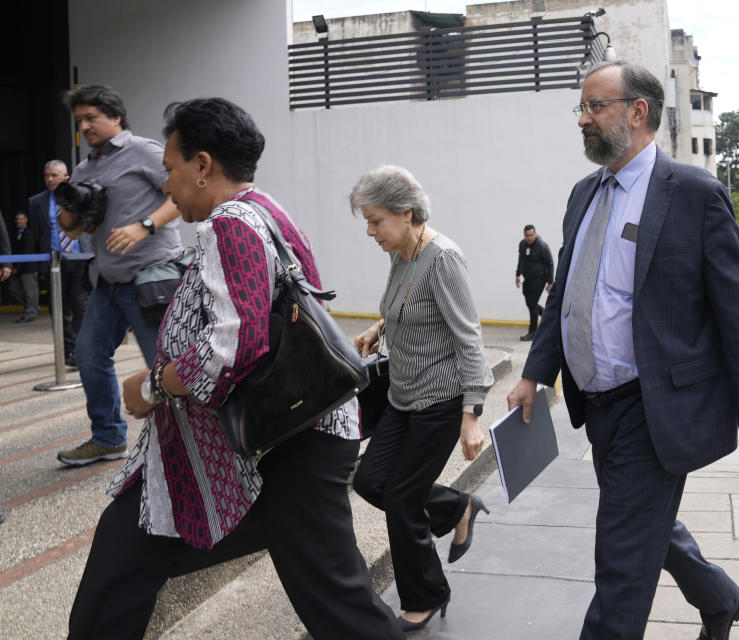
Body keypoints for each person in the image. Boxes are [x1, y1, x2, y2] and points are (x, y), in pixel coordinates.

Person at [69, 98, 403, 640]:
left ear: (203, 166)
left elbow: (235, 344)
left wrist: (151, 385)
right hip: (271, 440)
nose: (168, 189)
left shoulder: (232, 225)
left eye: (171, 171)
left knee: (340, 606)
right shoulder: (268, 209)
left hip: (286, 443)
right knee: (125, 556)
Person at [507, 61, 739, 640]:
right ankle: (720, 597)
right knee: (642, 523)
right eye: (579, 108)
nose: (582, 119)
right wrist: (535, 372)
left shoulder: (693, 193)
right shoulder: (583, 193)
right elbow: (567, 296)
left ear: (637, 112)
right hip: (597, 404)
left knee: (621, 557)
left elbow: (738, 311)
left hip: (656, 404)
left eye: (594, 106)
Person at [350, 165, 494, 631]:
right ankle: (456, 507)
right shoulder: (401, 254)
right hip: (402, 396)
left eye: (376, 221)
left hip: (441, 401)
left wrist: (471, 414)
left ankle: (427, 594)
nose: (371, 232)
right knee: (370, 482)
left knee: (401, 498)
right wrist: (379, 326)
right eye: (368, 222)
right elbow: (403, 305)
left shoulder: (443, 258)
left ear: (406, 213)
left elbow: (469, 339)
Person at [55, 85, 184, 467]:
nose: (84, 126)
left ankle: (186, 443)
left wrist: (144, 225)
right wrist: (67, 206)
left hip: (150, 278)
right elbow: (76, 231)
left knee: (164, 363)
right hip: (108, 282)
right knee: (89, 355)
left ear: (115, 116)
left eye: (91, 117)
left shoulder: (143, 151)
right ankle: (109, 438)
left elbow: (181, 196)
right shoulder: (84, 168)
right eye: (79, 120)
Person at [27, 160, 93, 365]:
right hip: (55, 262)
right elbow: (38, 233)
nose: (49, 179)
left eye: (54, 175)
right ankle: (68, 352)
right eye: (46, 175)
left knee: (82, 308)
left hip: (80, 259)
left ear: (66, 177)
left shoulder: (79, 196)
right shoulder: (36, 202)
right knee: (60, 311)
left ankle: (83, 350)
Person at [515, 224, 554, 340]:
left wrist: (550, 282)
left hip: (539, 279)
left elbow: (550, 263)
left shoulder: (542, 246)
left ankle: (533, 332)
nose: (529, 237)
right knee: (531, 304)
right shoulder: (522, 245)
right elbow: (520, 260)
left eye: (531, 235)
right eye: (527, 235)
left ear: (535, 234)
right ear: (524, 235)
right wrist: (517, 274)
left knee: (532, 304)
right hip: (528, 279)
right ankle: (549, 317)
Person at [9, 212, 40, 323]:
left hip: (28, 268)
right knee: (13, 288)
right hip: (18, 267)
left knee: (30, 293)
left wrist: (17, 267)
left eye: (21, 219)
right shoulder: (16, 234)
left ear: (26, 221)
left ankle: (30, 314)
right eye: (17, 219)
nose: (18, 221)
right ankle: (33, 307)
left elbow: (28, 252)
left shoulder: (28, 233)